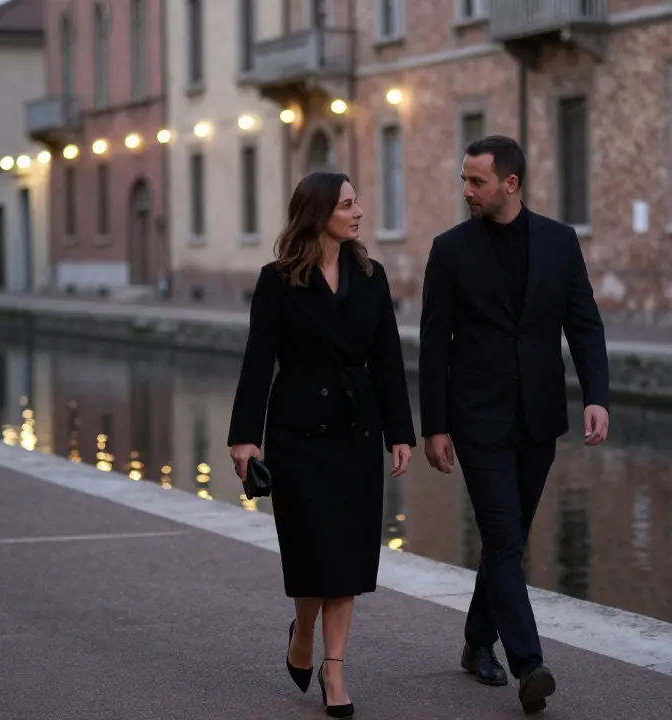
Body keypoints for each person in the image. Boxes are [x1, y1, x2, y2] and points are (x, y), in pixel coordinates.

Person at [418, 135, 610, 715]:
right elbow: (433, 343)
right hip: (476, 418)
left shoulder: (560, 242)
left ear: (510, 184)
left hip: (539, 416)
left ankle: (478, 641)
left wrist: (596, 396)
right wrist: (435, 424)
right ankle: (529, 663)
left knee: (510, 539)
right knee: (503, 537)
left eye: (476, 181)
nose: (466, 191)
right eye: (463, 180)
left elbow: (584, 322)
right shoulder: (449, 250)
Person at [228, 171, 416, 719]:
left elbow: (387, 359)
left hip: (356, 432)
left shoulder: (370, 275)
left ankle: (335, 669)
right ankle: (302, 631)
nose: (358, 213)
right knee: (313, 549)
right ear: (318, 214)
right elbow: (258, 361)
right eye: (347, 205)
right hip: (297, 435)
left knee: (348, 556)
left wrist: (399, 433)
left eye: (357, 202)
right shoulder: (278, 279)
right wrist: (245, 438)